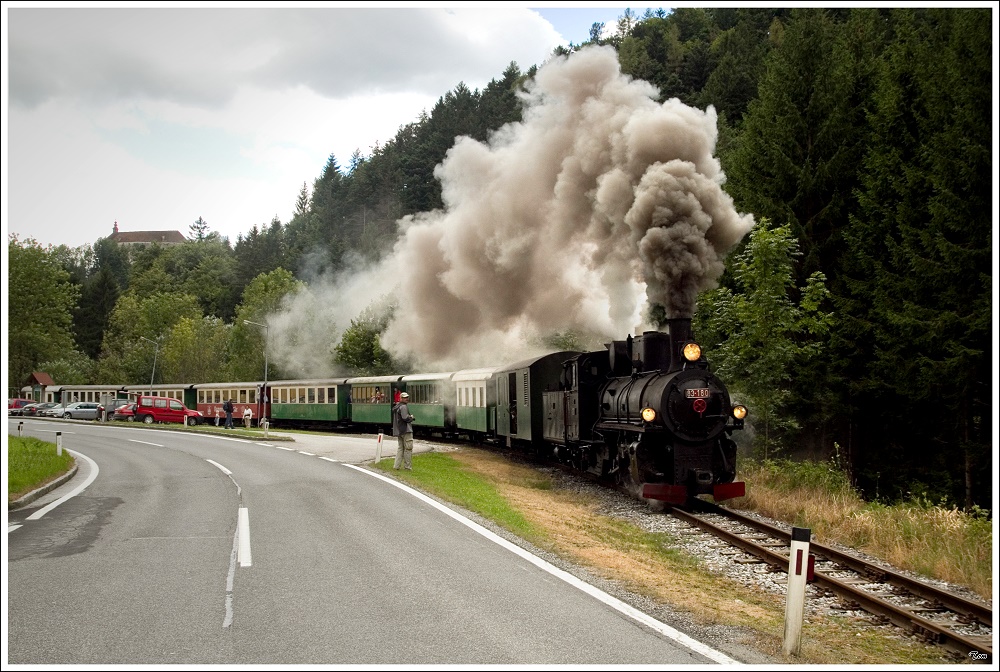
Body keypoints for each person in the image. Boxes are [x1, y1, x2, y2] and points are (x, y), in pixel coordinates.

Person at [392, 392, 415, 470]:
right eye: (405, 397)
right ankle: (407, 467)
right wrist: (411, 417)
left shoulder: (396, 407)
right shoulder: (404, 407)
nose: (407, 399)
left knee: (400, 448)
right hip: (406, 430)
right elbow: (405, 418)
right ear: (401, 398)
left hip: (399, 431)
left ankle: (396, 466)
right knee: (408, 448)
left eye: (407, 397)